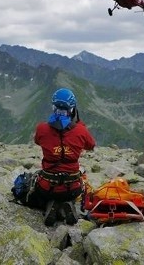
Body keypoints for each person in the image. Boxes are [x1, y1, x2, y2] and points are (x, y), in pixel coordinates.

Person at [33, 88, 96, 226]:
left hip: (46, 187)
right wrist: (79, 125)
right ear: (72, 109)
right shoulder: (81, 130)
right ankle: (68, 203)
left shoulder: (41, 128)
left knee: (39, 182)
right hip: (73, 188)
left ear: (53, 107)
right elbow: (91, 145)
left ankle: (52, 203)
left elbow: (37, 140)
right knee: (81, 176)